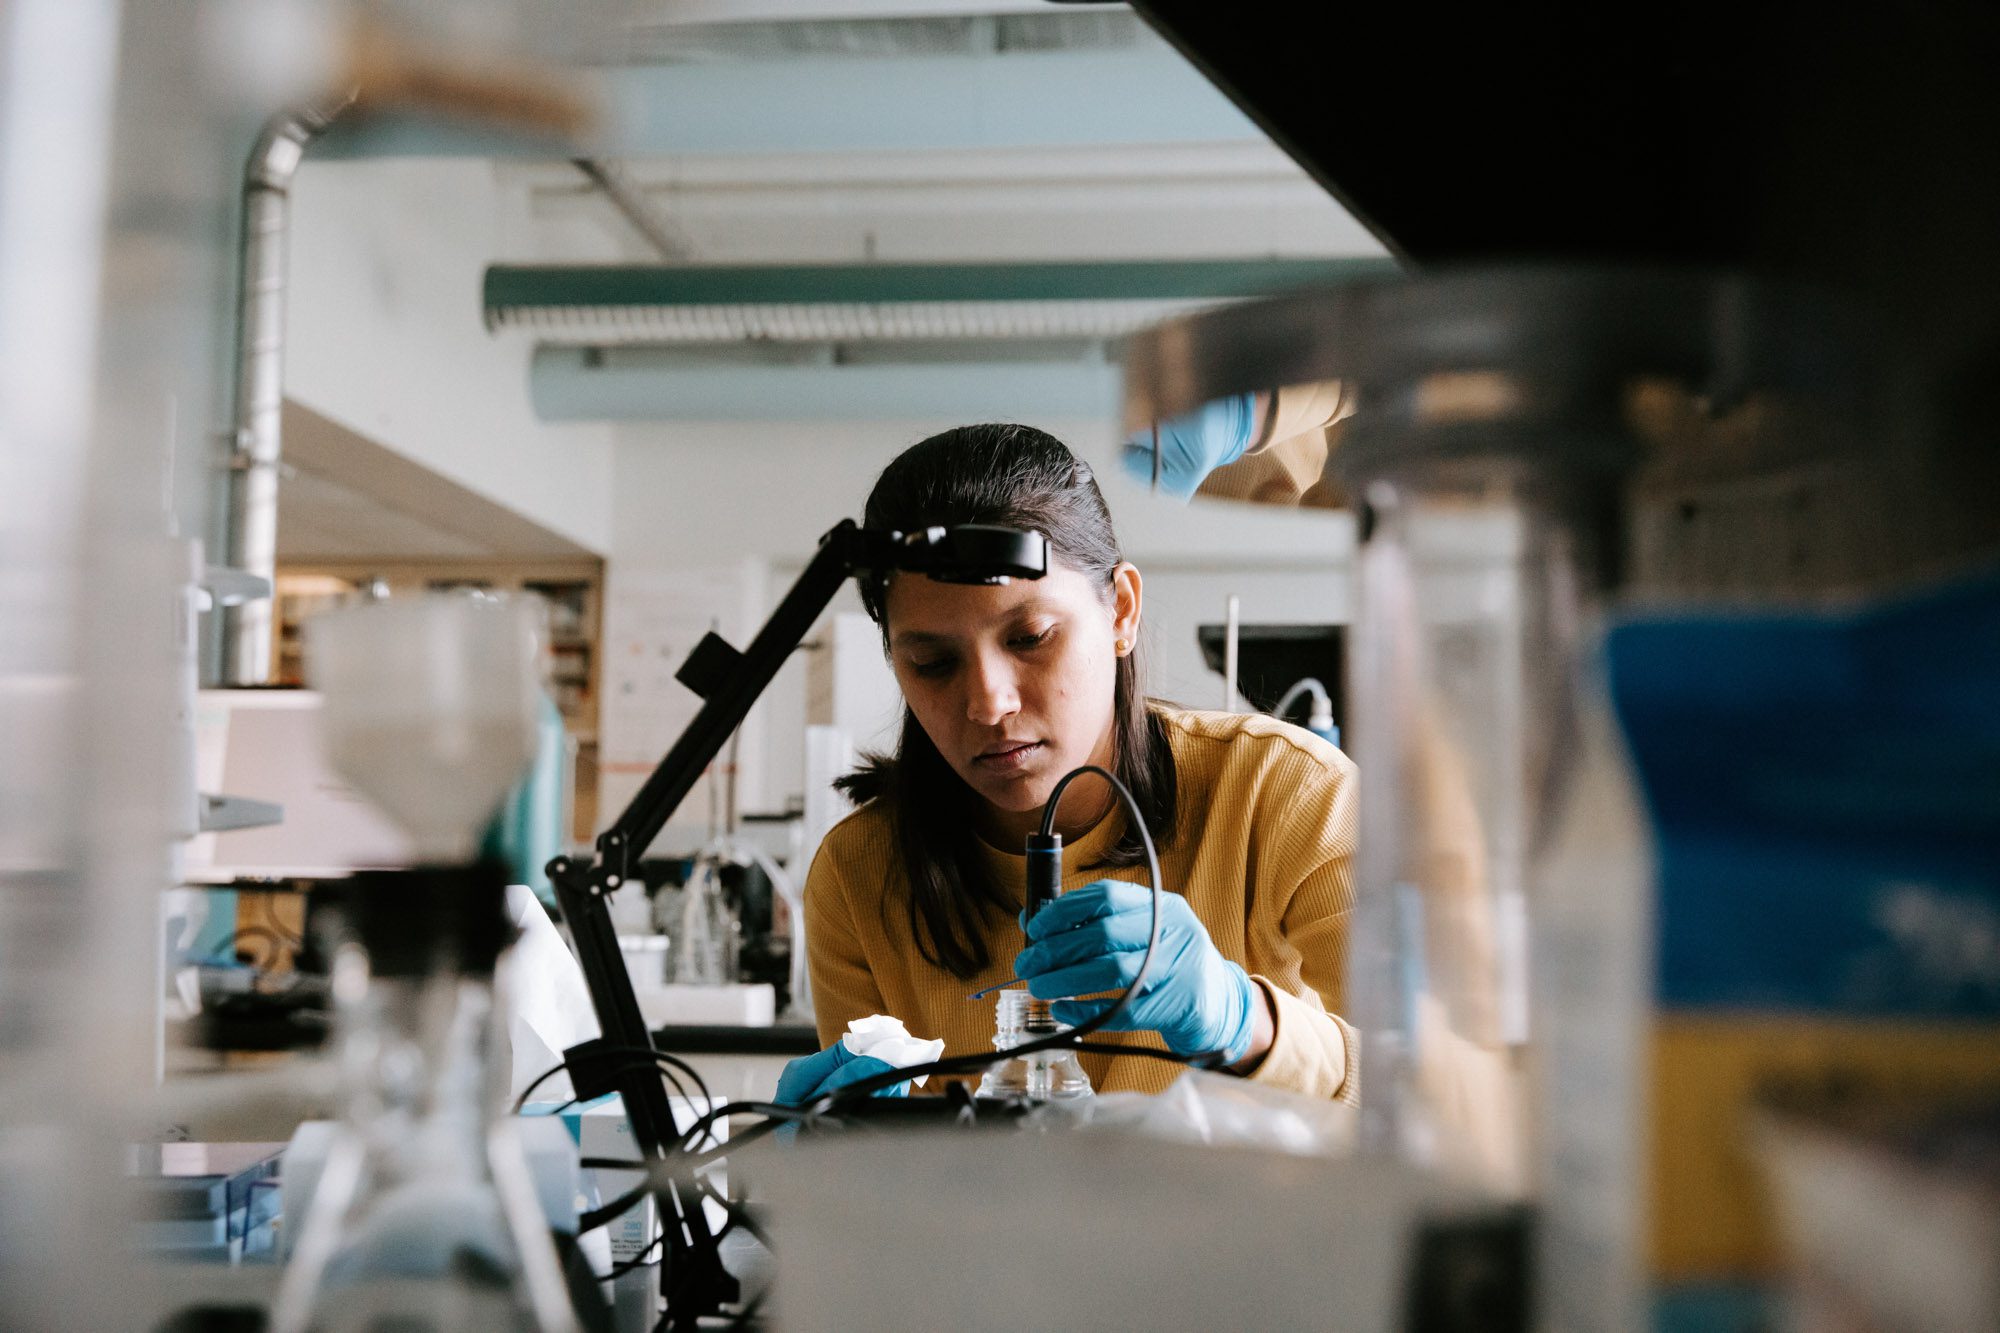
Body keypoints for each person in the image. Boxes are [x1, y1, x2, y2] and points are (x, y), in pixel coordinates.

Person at [774, 422, 1357, 1110]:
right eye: (933, 662)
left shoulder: (1289, 796)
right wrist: (839, 1159)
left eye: (1030, 638)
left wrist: (1244, 1023)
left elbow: (1452, 1094)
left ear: (1122, 611)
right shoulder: (860, 872)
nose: (989, 704)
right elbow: (906, 1189)